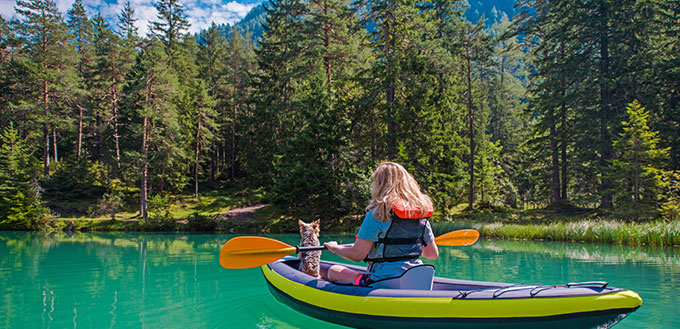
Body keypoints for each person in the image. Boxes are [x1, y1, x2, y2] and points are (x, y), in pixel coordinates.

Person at [322, 162, 438, 286]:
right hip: (416, 278)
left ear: (379, 185)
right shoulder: (419, 214)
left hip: (384, 281)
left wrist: (334, 247)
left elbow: (357, 255)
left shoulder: (378, 214)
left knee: (334, 270)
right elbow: (431, 254)